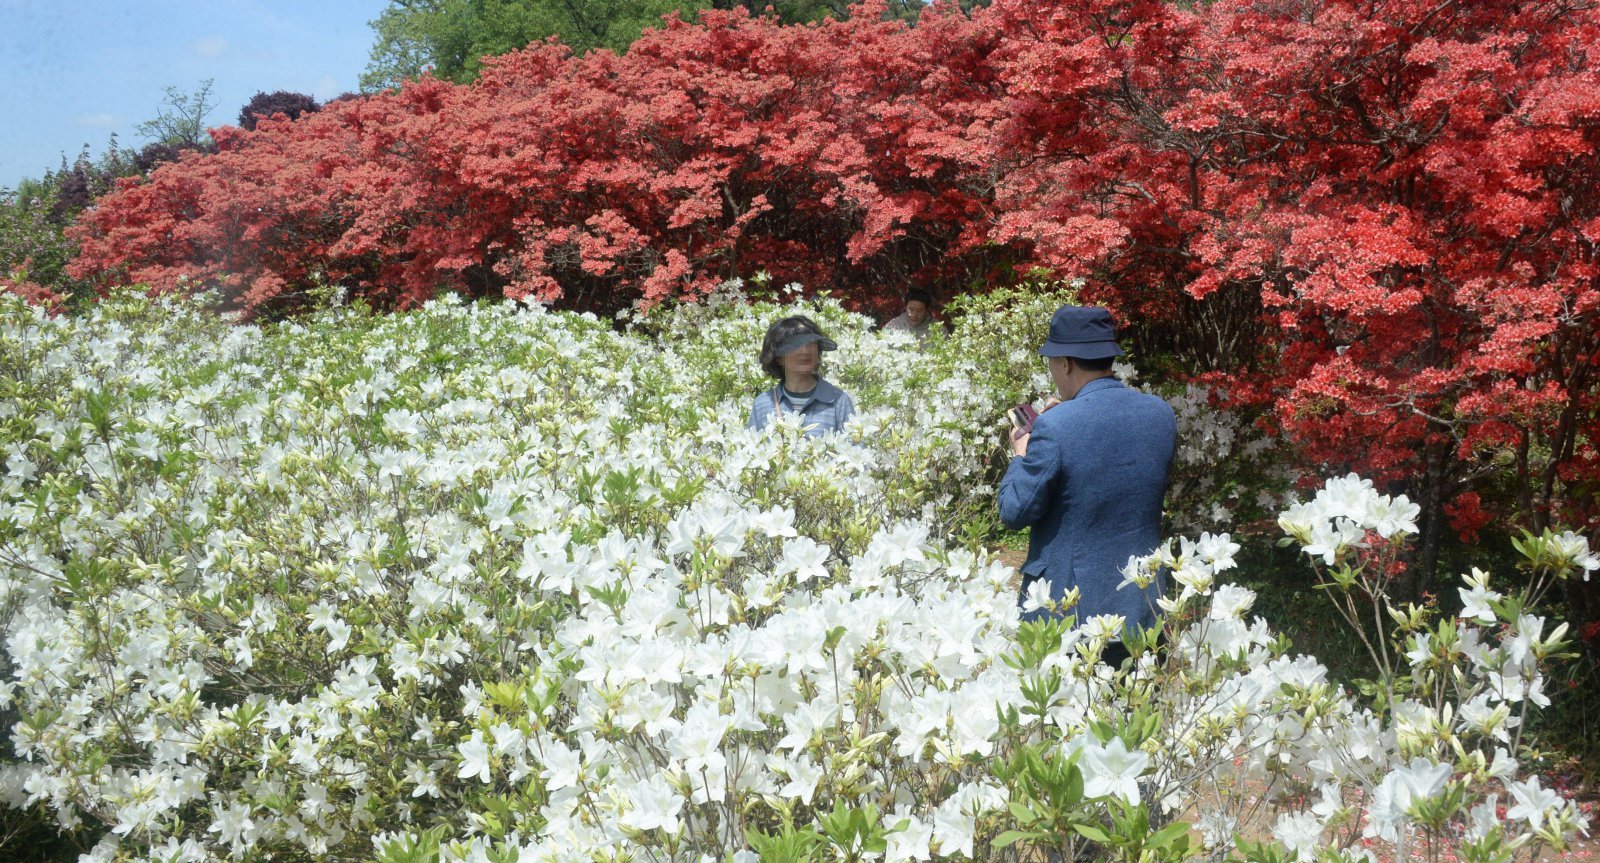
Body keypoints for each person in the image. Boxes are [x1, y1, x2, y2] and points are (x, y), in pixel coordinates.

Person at [998, 306, 1176, 665]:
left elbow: (1014, 511)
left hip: (1071, 613)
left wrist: (1021, 453)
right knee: (1138, 717)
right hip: (1144, 607)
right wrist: (1061, 421)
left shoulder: (1055, 427)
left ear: (1064, 363)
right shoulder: (1160, 414)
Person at [747, 315, 856, 436]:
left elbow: (854, 449)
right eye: (795, 344)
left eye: (810, 343)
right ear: (778, 358)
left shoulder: (839, 401)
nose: (805, 351)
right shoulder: (763, 404)